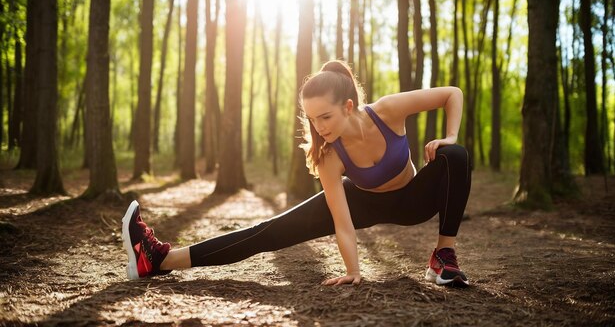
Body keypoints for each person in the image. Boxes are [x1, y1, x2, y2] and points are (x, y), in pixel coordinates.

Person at [122, 60, 471, 287]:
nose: (319, 128)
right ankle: (161, 259)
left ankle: (443, 256)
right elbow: (343, 224)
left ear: (348, 107)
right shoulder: (329, 156)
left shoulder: (387, 110)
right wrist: (354, 271)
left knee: (453, 155)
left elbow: (452, 94)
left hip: (414, 199)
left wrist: (449, 136)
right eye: (312, 119)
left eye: (326, 117)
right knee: (267, 233)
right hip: (363, 201)